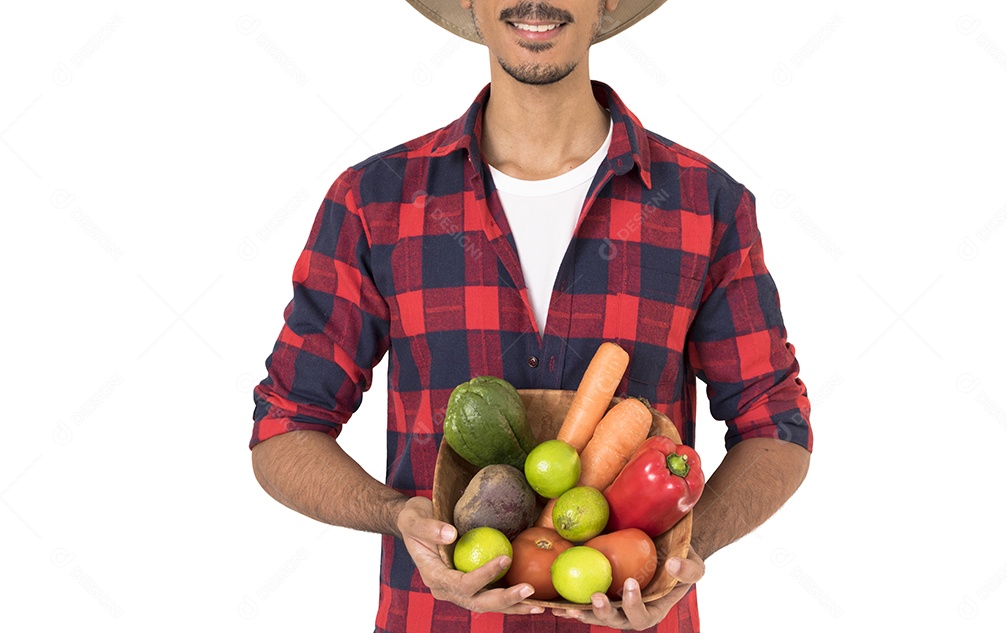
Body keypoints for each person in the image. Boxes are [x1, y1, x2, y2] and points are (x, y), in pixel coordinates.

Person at [249, 1, 813, 631]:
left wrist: (683, 548)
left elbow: (775, 424)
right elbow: (285, 427)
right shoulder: (376, 201)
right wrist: (397, 515)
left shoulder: (704, 204)